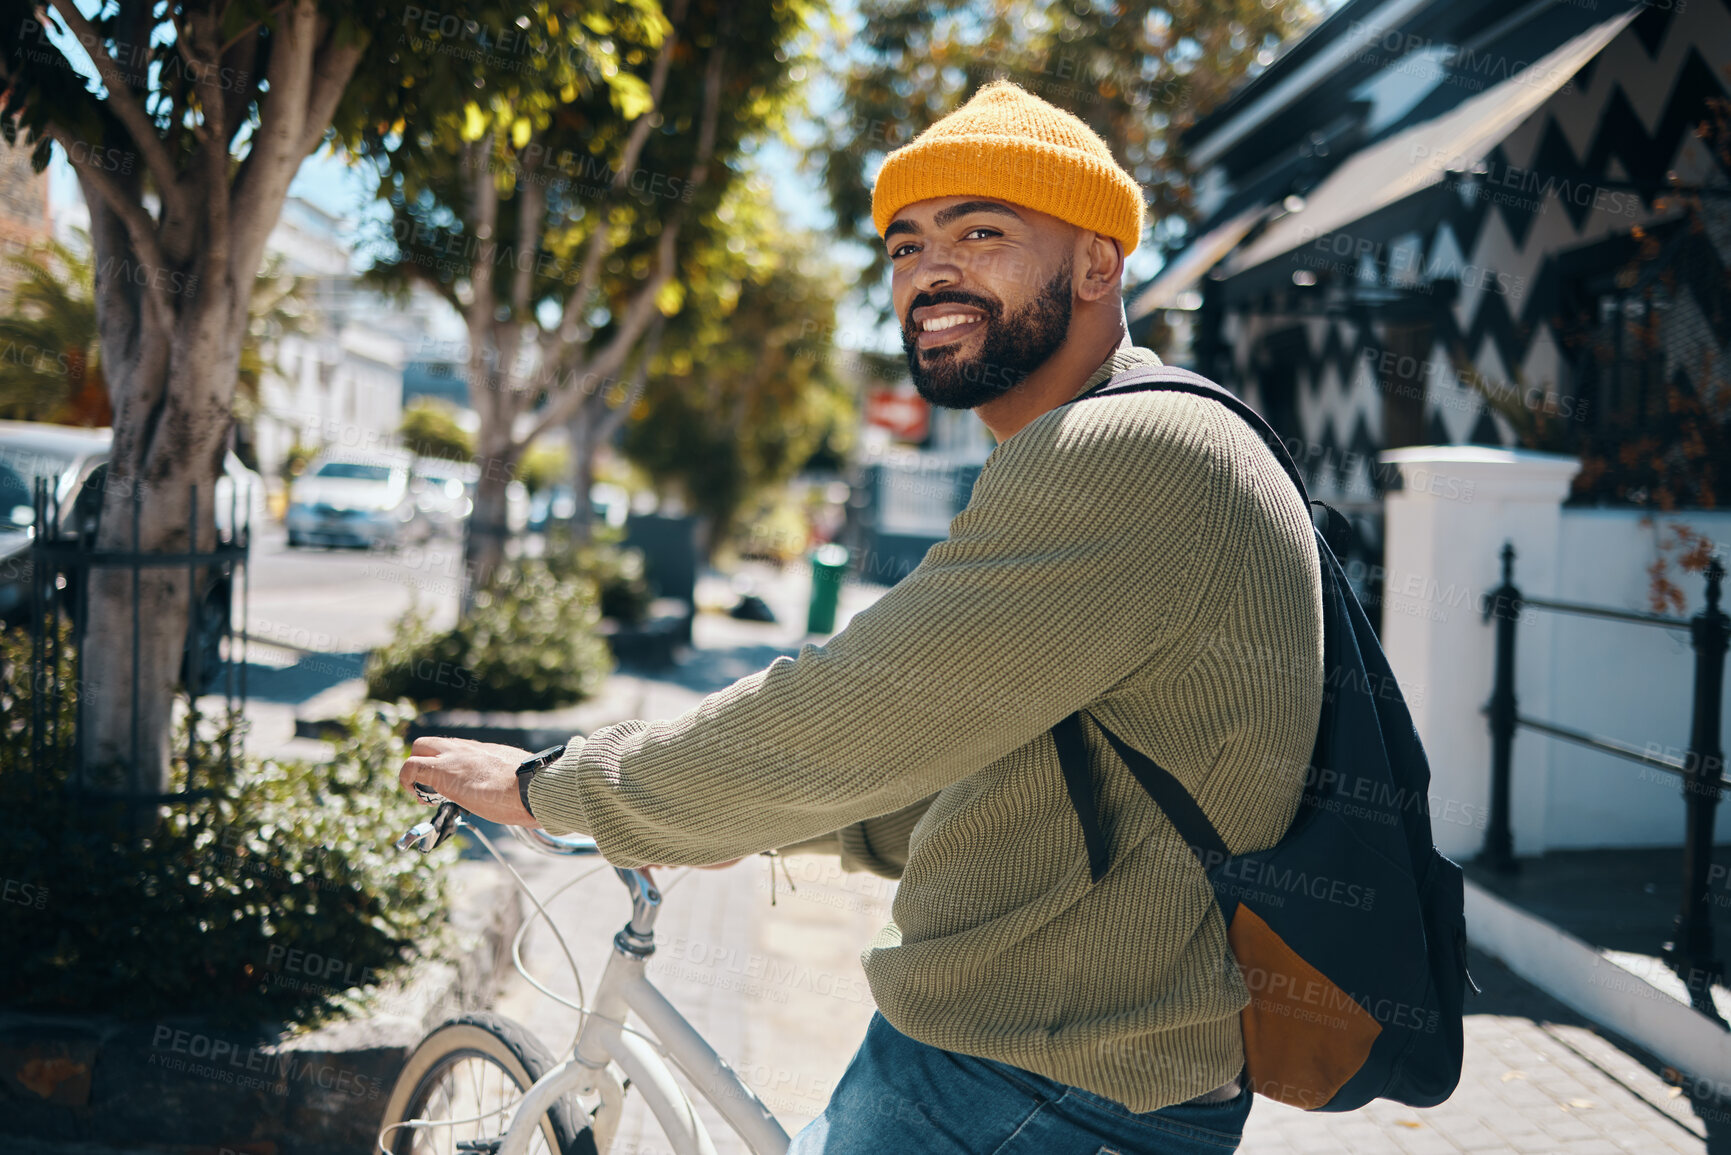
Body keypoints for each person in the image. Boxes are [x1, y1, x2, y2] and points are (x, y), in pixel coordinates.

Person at [399, 80, 1324, 1155]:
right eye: (905, 245)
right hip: (1046, 1074)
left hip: (1029, 1092)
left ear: (1096, 262)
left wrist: (552, 787)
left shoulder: (1131, 454)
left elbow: (858, 709)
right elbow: (1001, 759)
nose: (931, 269)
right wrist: (750, 819)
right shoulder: (1110, 441)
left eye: (982, 231)